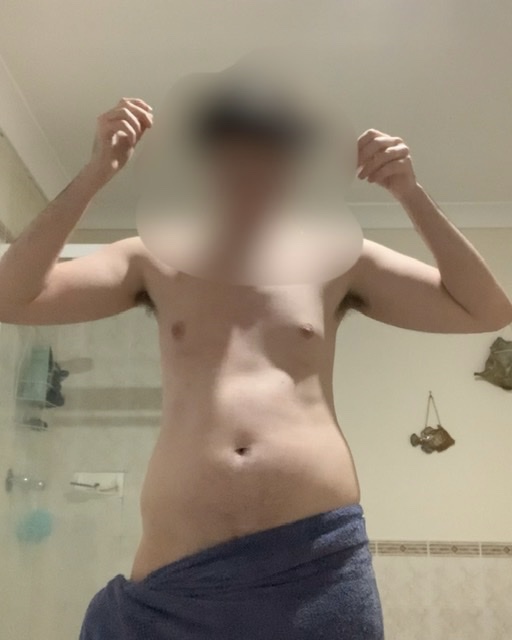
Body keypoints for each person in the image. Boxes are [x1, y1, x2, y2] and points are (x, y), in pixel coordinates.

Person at [0, 94, 510, 640]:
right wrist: (94, 174)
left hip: (315, 572)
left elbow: (486, 310)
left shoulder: (339, 262)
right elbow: (12, 297)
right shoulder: (150, 258)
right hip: (175, 580)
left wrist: (410, 193)